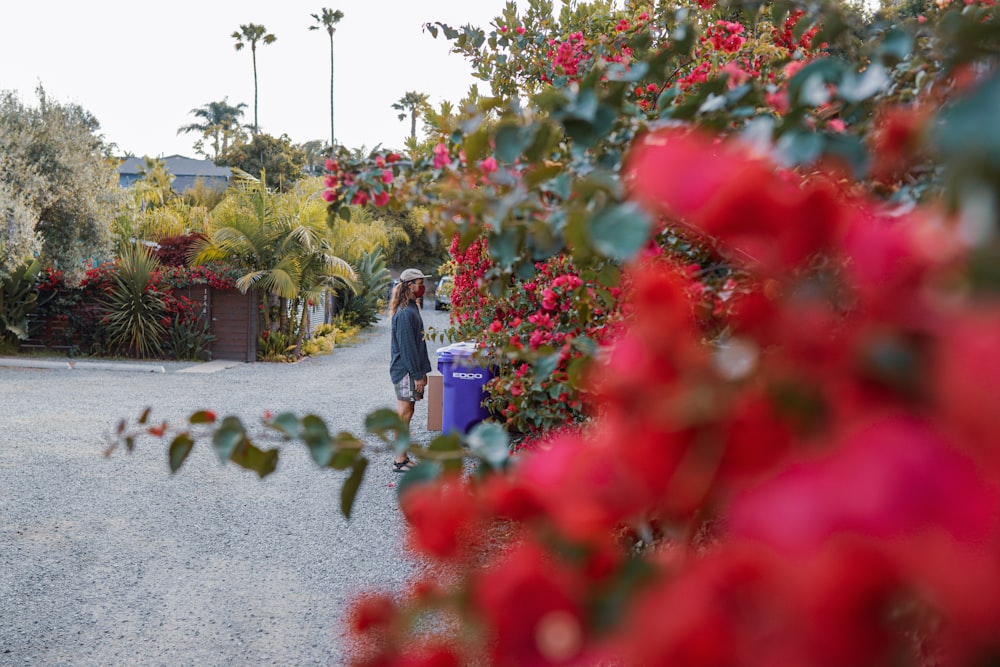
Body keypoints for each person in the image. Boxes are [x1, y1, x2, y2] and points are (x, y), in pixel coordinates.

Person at [388, 268, 432, 472]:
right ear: (409, 286)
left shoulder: (410, 307)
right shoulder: (405, 313)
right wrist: (417, 375)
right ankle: (399, 459)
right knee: (404, 414)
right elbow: (408, 348)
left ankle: (402, 458)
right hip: (405, 371)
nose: (422, 287)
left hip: (408, 370)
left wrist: (423, 371)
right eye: (419, 283)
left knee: (406, 412)